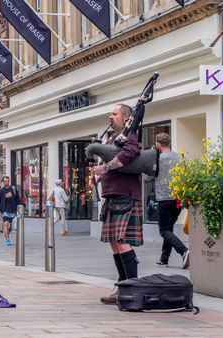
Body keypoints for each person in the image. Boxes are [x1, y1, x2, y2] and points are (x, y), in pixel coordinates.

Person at [90, 103, 143, 305]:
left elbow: (127, 156)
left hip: (125, 196)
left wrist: (104, 169)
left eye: (114, 113)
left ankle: (132, 289)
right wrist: (98, 177)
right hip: (112, 196)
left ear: (126, 117)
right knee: (114, 242)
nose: (110, 117)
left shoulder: (131, 136)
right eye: (110, 114)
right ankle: (122, 286)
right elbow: (108, 165)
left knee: (121, 241)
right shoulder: (113, 140)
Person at [145, 133, 189, 269]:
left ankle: (184, 251)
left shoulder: (157, 158)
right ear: (169, 143)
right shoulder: (180, 157)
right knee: (169, 230)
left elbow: (147, 177)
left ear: (157, 144)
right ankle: (164, 260)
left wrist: (151, 156)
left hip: (164, 199)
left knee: (164, 231)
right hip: (178, 199)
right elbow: (186, 176)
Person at [0, 176, 21, 246]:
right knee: (6, 224)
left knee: (12, 226)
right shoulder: (1, 191)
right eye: (5, 181)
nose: (7, 182)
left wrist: (20, 207)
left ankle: (6, 234)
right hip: (5, 210)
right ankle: (7, 238)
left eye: (8, 181)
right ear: (3, 182)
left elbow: (18, 198)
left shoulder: (13, 189)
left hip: (12, 210)